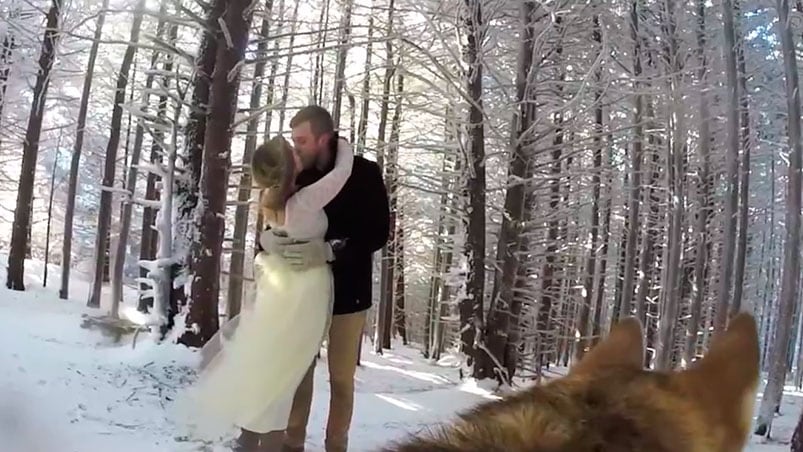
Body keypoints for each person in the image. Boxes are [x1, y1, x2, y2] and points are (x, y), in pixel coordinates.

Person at [176, 134, 355, 445]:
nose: (299, 151)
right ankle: (265, 441)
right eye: (293, 152)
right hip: (300, 297)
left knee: (270, 369)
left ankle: (248, 439)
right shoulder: (303, 202)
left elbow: (273, 234)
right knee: (283, 379)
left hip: (279, 294)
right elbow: (341, 174)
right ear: (289, 168)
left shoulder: (271, 199)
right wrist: (341, 144)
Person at [240, 106, 390, 452]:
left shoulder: (364, 173)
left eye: (302, 140)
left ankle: (336, 446)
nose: (296, 147)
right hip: (300, 294)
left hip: (349, 293)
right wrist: (266, 242)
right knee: (298, 371)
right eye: (294, 140)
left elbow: (378, 232)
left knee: (341, 378)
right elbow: (271, 219)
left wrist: (330, 250)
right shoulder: (295, 173)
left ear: (324, 138)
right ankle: (293, 444)